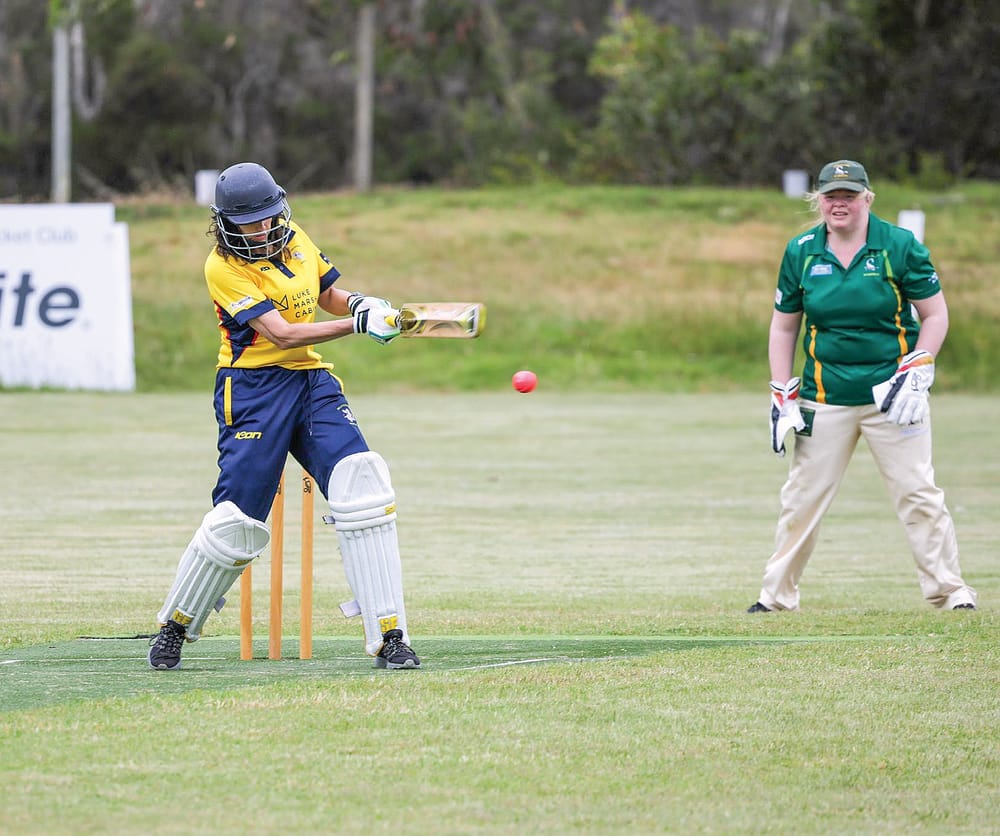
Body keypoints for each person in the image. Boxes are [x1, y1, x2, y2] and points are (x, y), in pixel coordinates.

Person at [148, 162, 421, 669]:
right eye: (248, 224)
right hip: (251, 389)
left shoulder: (293, 237)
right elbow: (283, 334)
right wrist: (355, 324)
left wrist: (359, 301)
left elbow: (325, 294)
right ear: (224, 224)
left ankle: (390, 636)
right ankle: (175, 626)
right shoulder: (222, 268)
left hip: (310, 383)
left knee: (362, 483)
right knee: (239, 522)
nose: (262, 230)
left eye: (269, 219)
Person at [748, 159, 977, 613]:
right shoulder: (801, 251)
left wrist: (920, 364)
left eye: (849, 196)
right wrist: (780, 390)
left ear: (867, 199)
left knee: (918, 493)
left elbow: (935, 315)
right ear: (819, 200)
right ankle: (775, 597)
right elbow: (783, 327)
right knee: (802, 498)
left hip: (893, 397)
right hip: (824, 396)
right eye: (831, 196)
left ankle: (951, 593)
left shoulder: (899, 245)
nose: (840, 204)